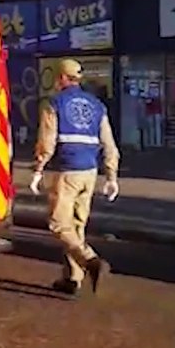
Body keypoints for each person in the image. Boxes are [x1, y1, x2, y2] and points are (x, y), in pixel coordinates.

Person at [29, 58, 120, 297]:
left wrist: (38, 170)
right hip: (90, 172)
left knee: (58, 224)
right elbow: (109, 144)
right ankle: (72, 279)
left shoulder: (54, 103)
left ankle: (91, 261)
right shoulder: (97, 106)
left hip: (67, 171)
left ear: (61, 78)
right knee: (77, 226)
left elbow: (47, 142)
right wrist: (111, 176)